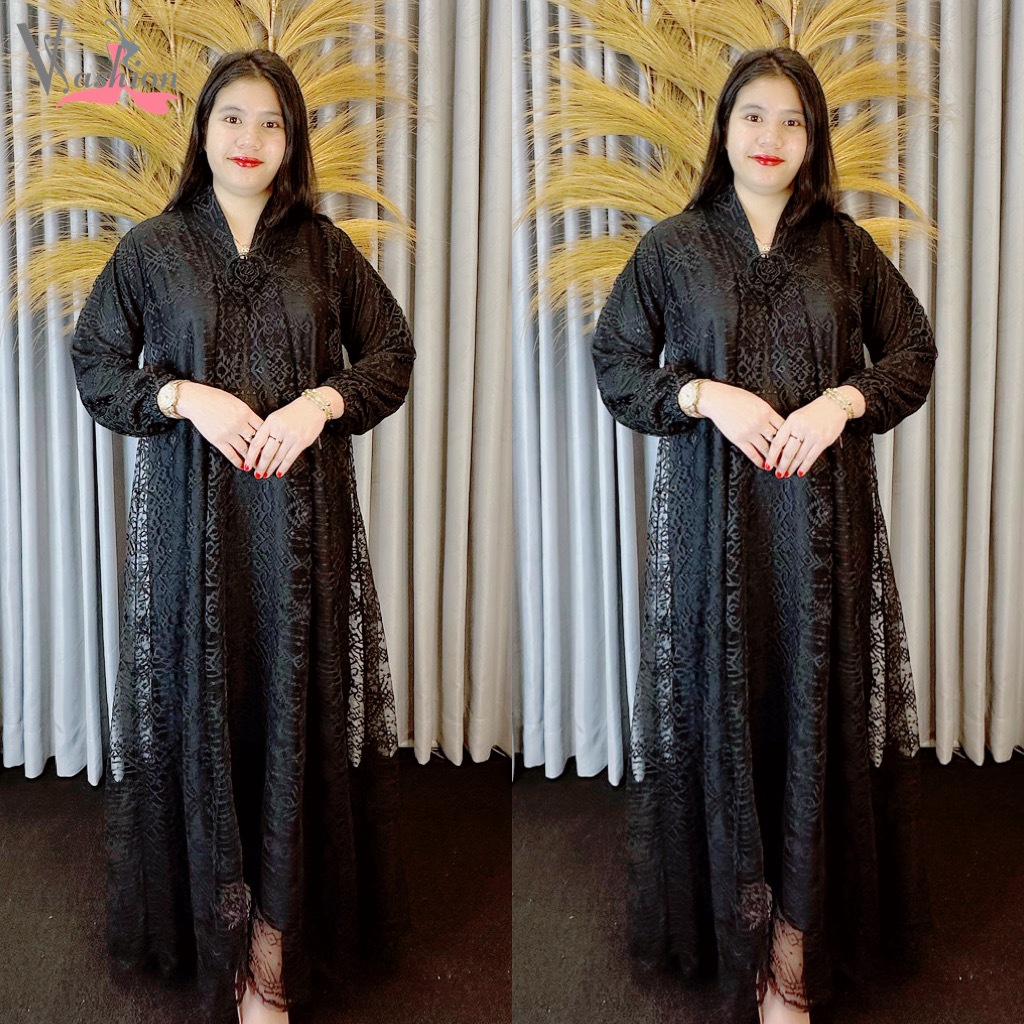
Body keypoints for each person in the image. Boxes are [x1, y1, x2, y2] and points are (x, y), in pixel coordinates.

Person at [591, 48, 935, 1024]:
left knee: (814, 715)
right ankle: (734, 937)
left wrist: (842, 401)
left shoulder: (844, 248)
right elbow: (616, 361)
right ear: (725, 128)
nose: (772, 137)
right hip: (716, 523)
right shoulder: (674, 245)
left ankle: (794, 955)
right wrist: (702, 393)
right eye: (754, 116)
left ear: (813, 137)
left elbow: (911, 351)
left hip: (823, 526)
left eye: (792, 120)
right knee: (726, 714)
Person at [71, 50, 415, 1024]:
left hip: (302, 528)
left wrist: (320, 402)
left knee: (292, 715)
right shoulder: (153, 247)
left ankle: (274, 954)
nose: (251, 139)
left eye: (271, 122)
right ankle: (215, 938)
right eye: (233, 117)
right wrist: (182, 394)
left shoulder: (322, 248)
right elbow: (96, 362)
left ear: (292, 139)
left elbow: (390, 353)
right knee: (205, 716)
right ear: (204, 130)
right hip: (194, 525)